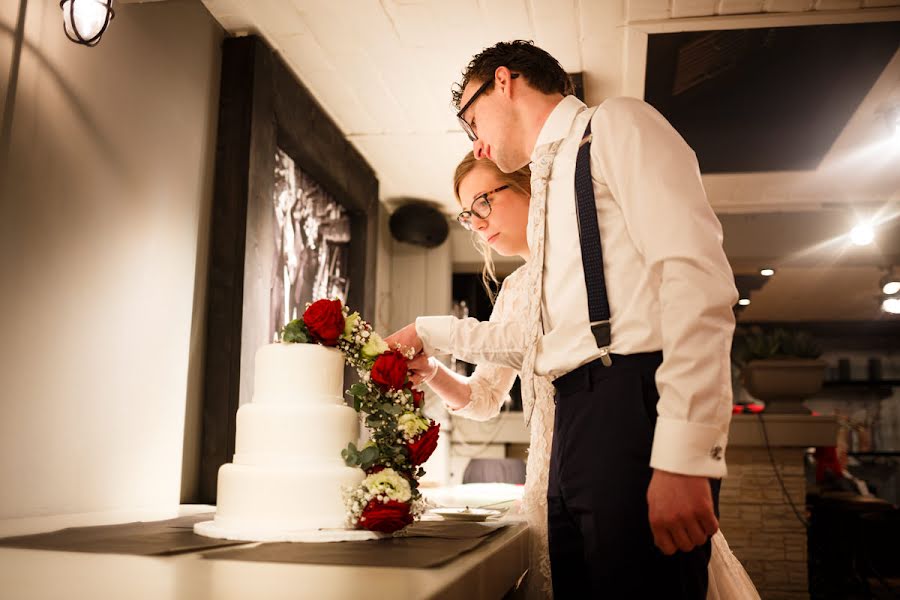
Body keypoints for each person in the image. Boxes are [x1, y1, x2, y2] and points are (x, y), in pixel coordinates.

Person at [386, 40, 739, 598]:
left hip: (625, 398)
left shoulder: (616, 125)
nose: (476, 140)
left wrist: (685, 456)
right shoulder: (548, 189)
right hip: (570, 424)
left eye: (471, 119)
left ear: (504, 81)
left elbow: (696, 279)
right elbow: (528, 343)